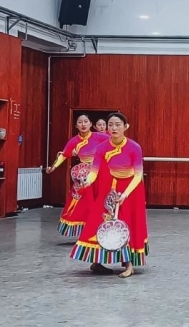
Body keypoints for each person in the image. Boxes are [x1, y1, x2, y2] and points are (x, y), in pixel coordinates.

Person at [70, 112, 147, 278]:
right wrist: (87, 181)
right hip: (110, 188)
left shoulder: (134, 147)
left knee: (125, 224)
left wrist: (125, 194)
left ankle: (129, 265)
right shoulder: (102, 148)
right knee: (99, 221)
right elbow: (94, 171)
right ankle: (97, 262)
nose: (114, 128)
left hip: (131, 189)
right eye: (110, 125)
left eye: (118, 125)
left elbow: (138, 175)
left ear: (125, 127)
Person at [46, 113, 109, 238]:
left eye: (86, 121)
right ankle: (87, 231)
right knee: (82, 203)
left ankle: (103, 230)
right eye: (80, 122)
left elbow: (116, 143)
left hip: (100, 173)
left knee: (101, 202)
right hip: (83, 176)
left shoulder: (100, 137)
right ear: (76, 126)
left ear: (91, 124)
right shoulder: (74, 141)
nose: (83, 124)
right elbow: (64, 154)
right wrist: (53, 167)